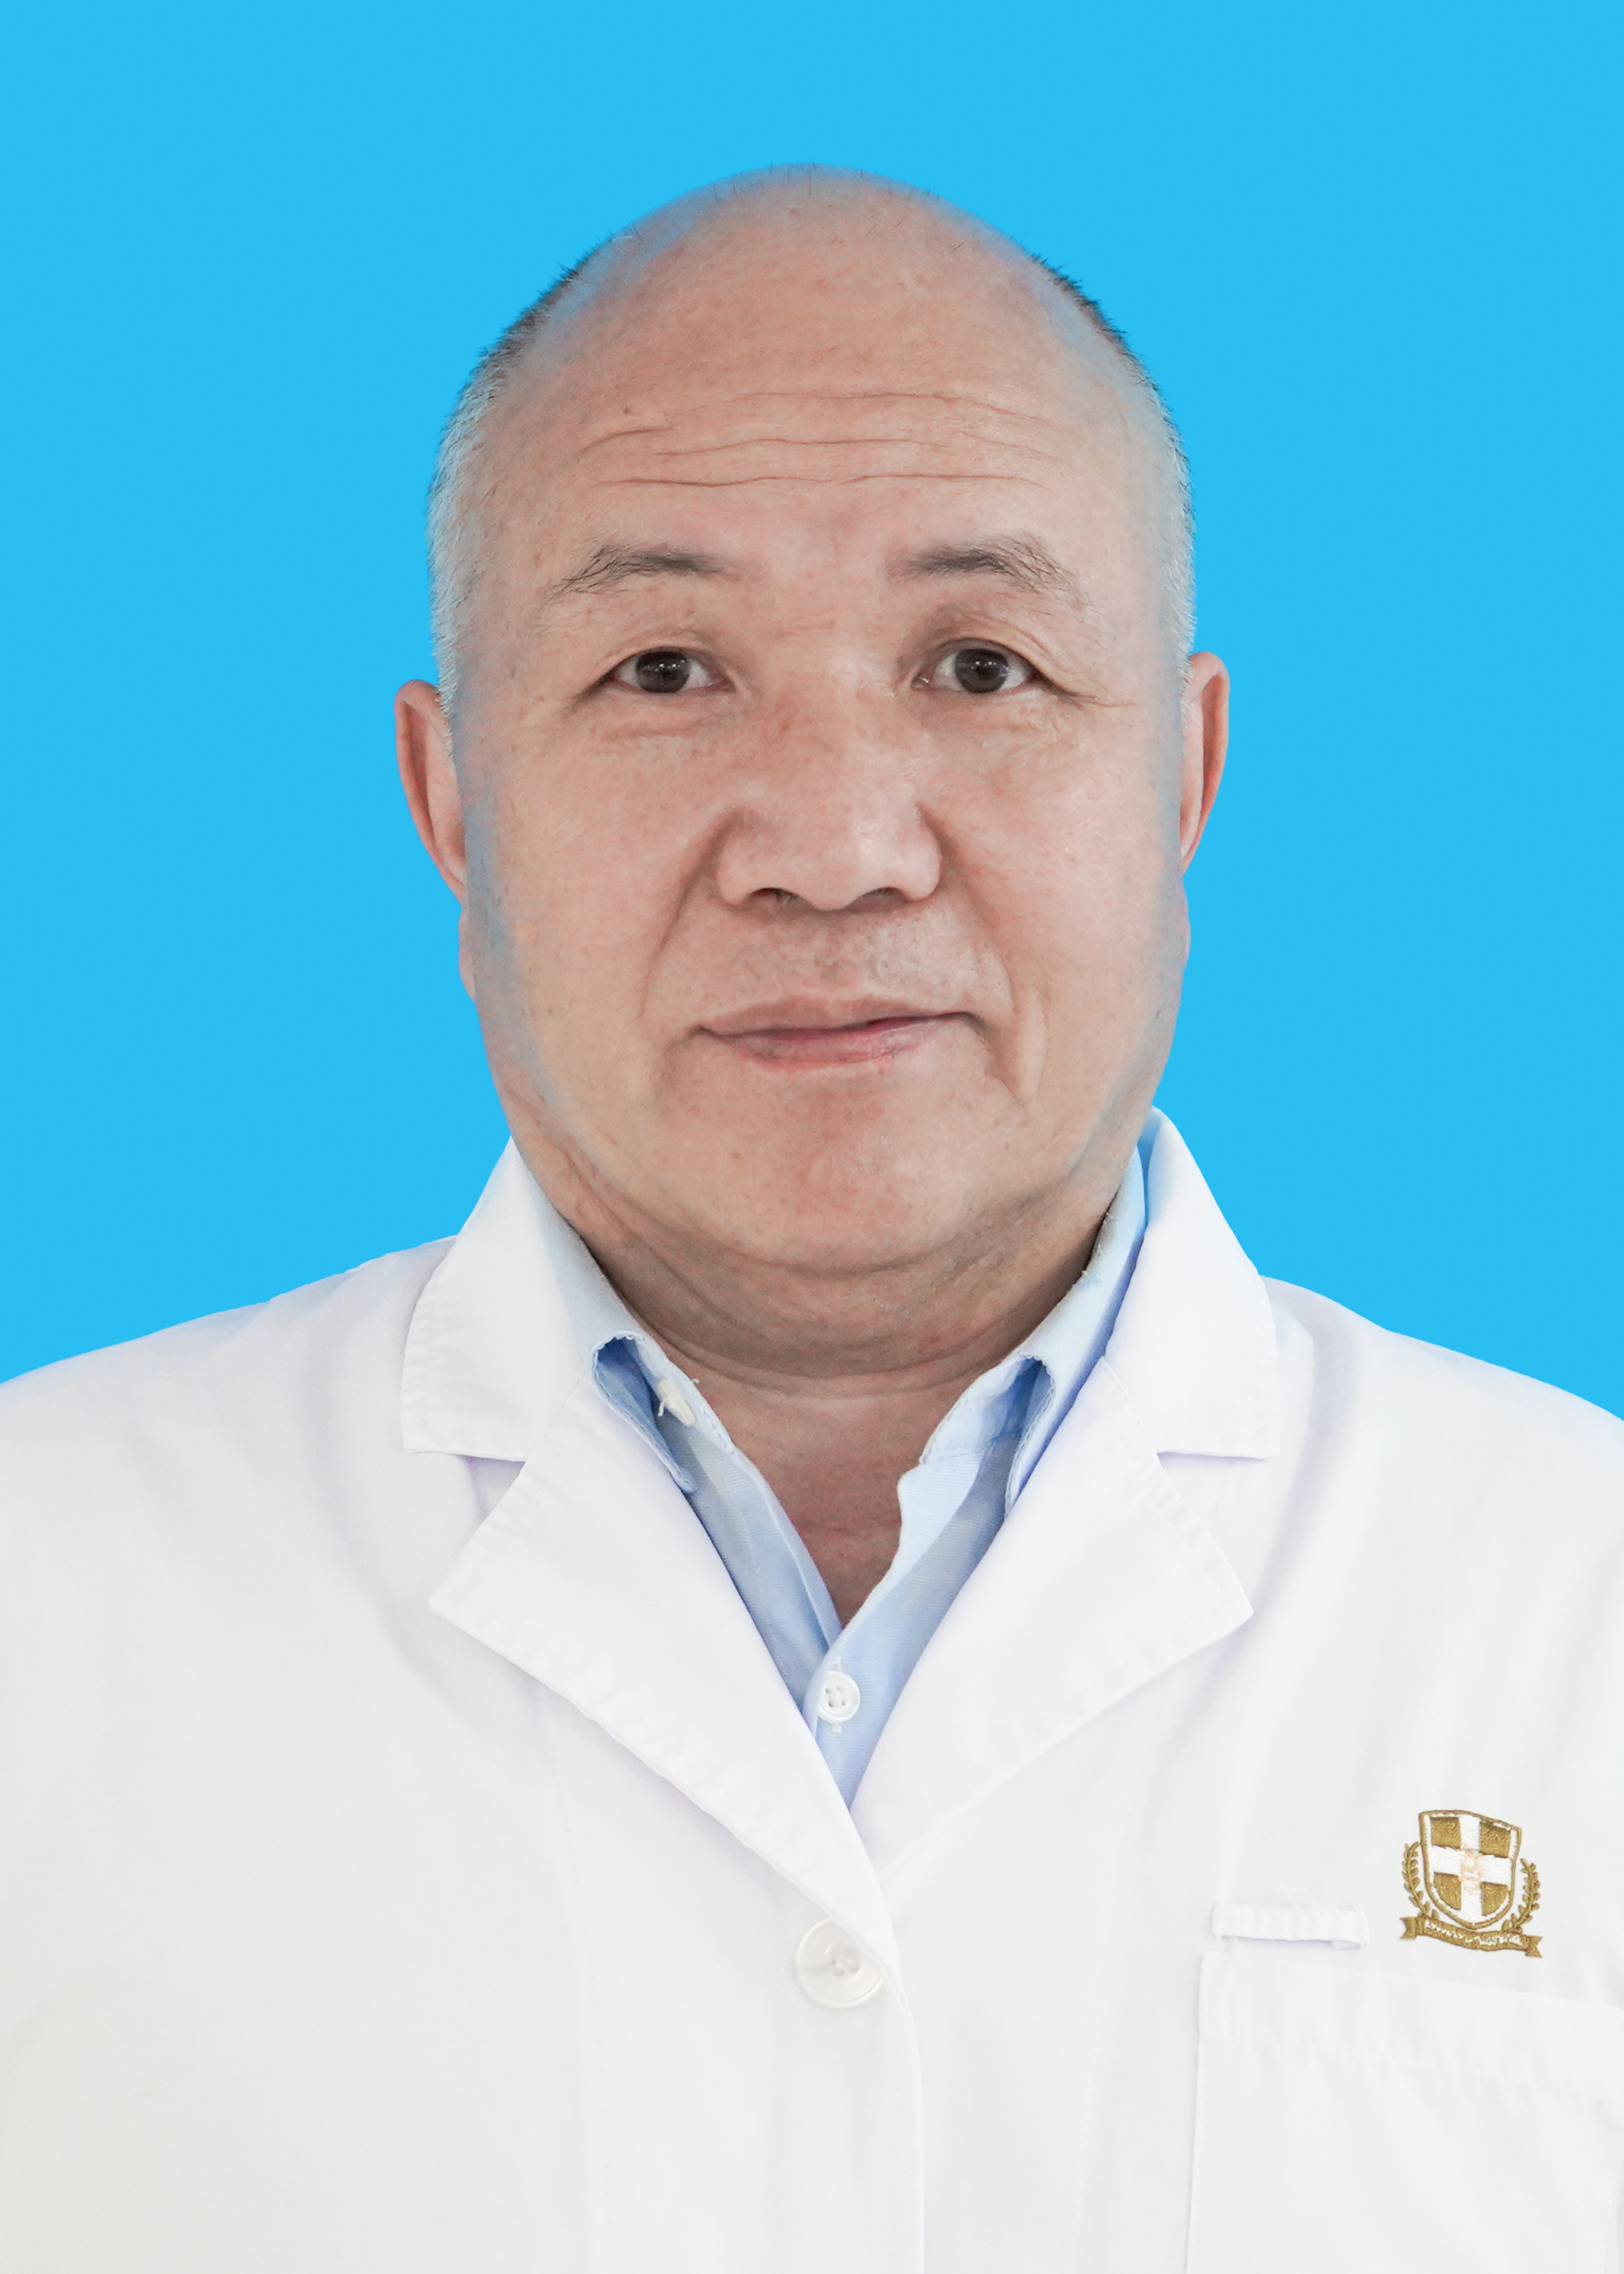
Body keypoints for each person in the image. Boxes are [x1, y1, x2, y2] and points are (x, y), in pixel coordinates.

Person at [1, 166, 1621, 2274]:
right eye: (665, 668)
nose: (838, 846)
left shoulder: (1577, 1603)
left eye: (982, 665)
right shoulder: (46, 1583)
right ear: (452, 799)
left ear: (1185, 773)